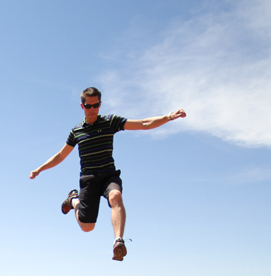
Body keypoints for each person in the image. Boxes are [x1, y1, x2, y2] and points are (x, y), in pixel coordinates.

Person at [30, 87, 186, 261]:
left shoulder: (110, 122)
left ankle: (118, 241)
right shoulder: (77, 131)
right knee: (87, 227)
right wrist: (40, 169)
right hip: (88, 179)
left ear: (100, 104)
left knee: (116, 196)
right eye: (88, 106)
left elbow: (142, 123)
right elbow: (60, 155)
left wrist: (169, 117)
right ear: (82, 106)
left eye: (96, 105)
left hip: (108, 175)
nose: (92, 110)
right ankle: (74, 200)